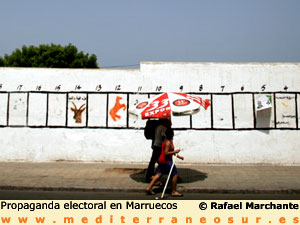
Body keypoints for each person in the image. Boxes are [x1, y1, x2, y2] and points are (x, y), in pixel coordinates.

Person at [145, 128, 184, 197]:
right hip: (167, 162)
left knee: (158, 174)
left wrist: (178, 156)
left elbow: (169, 152)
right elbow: (166, 153)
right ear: (172, 134)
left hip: (162, 161)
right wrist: (175, 152)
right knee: (175, 175)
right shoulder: (168, 142)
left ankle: (149, 187)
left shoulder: (165, 141)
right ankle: (174, 191)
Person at [145, 119, 171, 183]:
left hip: (156, 145)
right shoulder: (162, 127)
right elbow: (163, 137)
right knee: (164, 161)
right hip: (160, 146)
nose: (169, 122)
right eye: (168, 121)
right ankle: (151, 177)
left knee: (154, 161)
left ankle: (150, 176)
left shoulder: (158, 127)